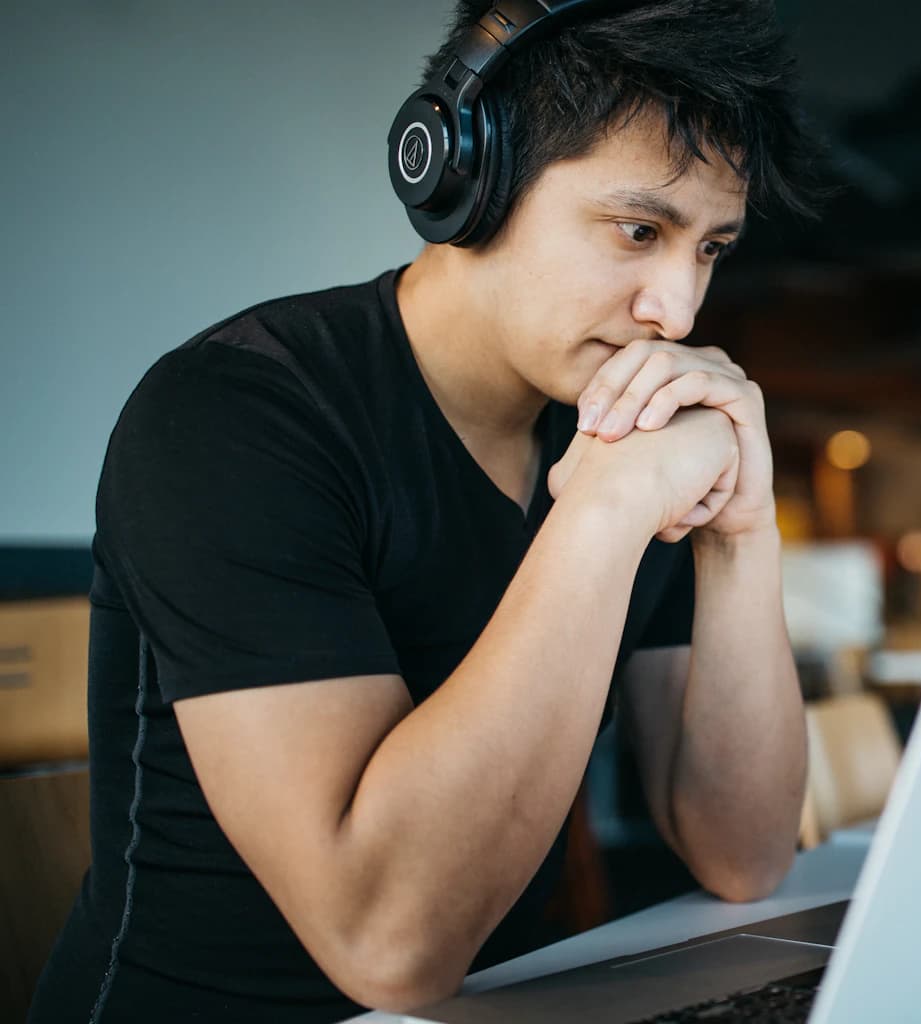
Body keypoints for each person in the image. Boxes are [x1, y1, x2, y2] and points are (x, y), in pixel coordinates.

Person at [30, 1, 825, 1020]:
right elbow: (388, 944)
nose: (675, 309)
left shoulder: (624, 425)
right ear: (468, 179)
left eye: (710, 249)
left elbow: (745, 851)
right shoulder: (233, 416)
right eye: (638, 229)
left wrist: (738, 528)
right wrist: (604, 511)